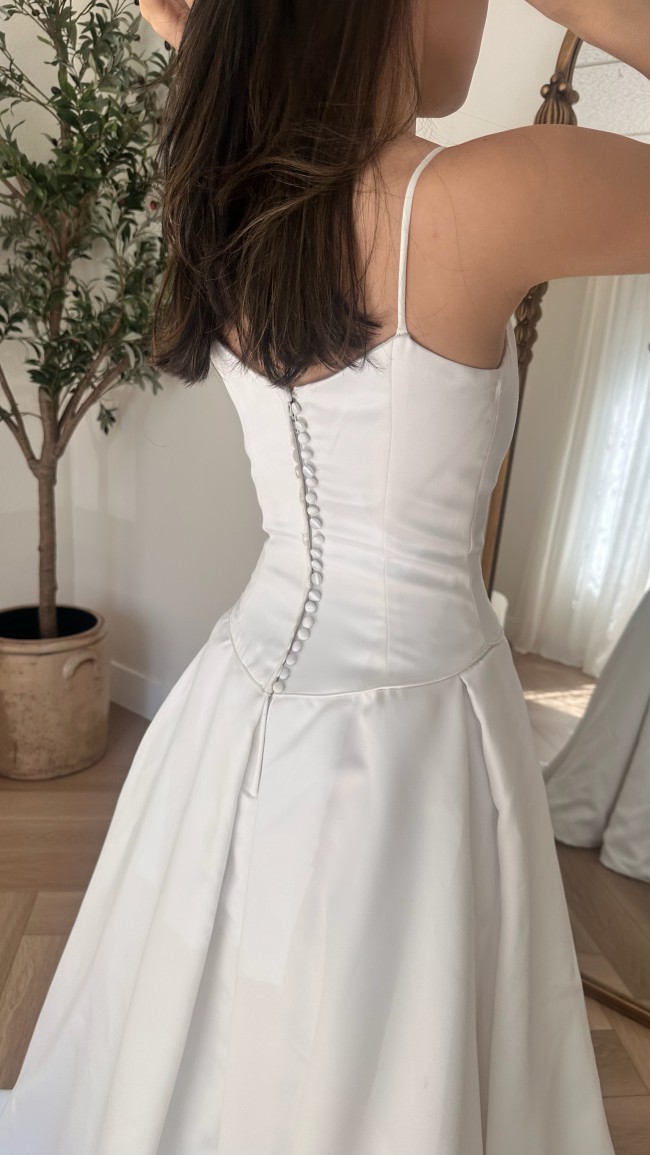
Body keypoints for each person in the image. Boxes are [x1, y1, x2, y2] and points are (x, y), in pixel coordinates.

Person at [1, 0, 648, 1151]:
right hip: (411, 738)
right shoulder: (471, 197)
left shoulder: (236, 178)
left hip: (240, 693)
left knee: (218, 1024)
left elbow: (239, 43)